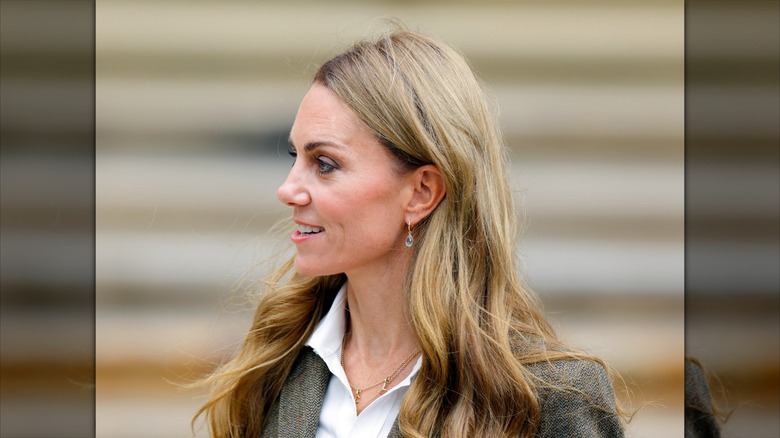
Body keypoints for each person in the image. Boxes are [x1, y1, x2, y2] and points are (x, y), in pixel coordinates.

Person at [195, 26, 626, 437]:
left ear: (421, 192)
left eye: (324, 164)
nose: (288, 189)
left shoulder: (551, 397)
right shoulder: (276, 358)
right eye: (294, 157)